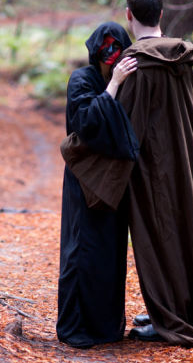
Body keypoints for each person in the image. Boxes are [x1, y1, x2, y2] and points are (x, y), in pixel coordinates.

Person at [62, 0, 193, 346]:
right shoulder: (182, 58)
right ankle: (181, 307)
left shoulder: (135, 63)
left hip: (151, 170)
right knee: (183, 230)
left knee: (158, 237)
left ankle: (169, 314)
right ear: (161, 15)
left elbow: (120, 127)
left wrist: (77, 153)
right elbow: (190, 121)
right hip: (187, 163)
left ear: (129, 15)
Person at [56, 22, 139, 349]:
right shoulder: (82, 80)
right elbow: (86, 123)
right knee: (82, 250)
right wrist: (114, 83)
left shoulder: (130, 79)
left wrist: (121, 81)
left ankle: (106, 327)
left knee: (110, 252)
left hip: (115, 182)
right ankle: (76, 327)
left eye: (114, 56)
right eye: (105, 56)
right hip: (85, 181)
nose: (110, 62)